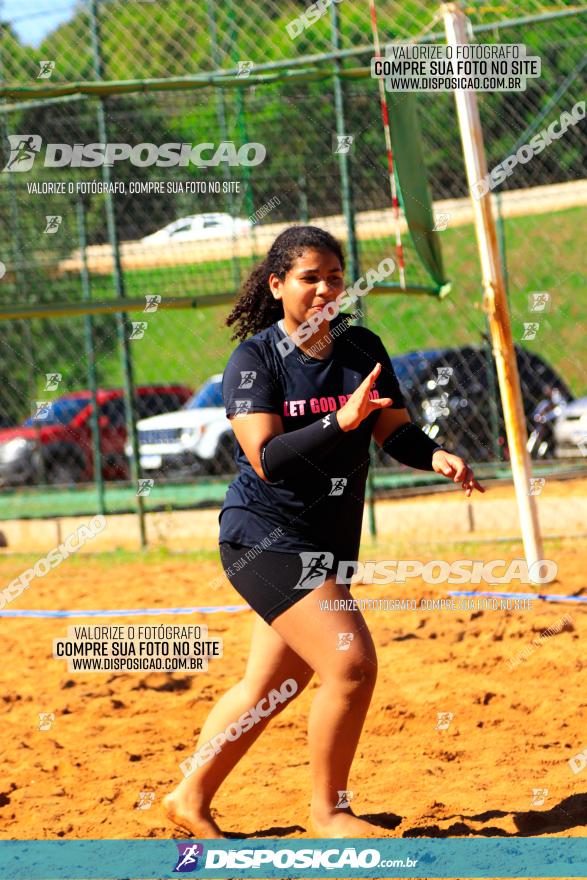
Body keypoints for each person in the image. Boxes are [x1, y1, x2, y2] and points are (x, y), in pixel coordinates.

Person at [164, 225, 484, 839]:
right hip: (263, 537)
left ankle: (188, 796)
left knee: (271, 685)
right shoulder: (255, 360)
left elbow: (393, 429)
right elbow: (267, 457)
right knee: (351, 665)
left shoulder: (361, 347)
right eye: (310, 277)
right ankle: (328, 812)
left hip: (324, 539)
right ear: (278, 284)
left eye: (334, 277)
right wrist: (341, 420)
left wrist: (435, 455)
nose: (324, 289)